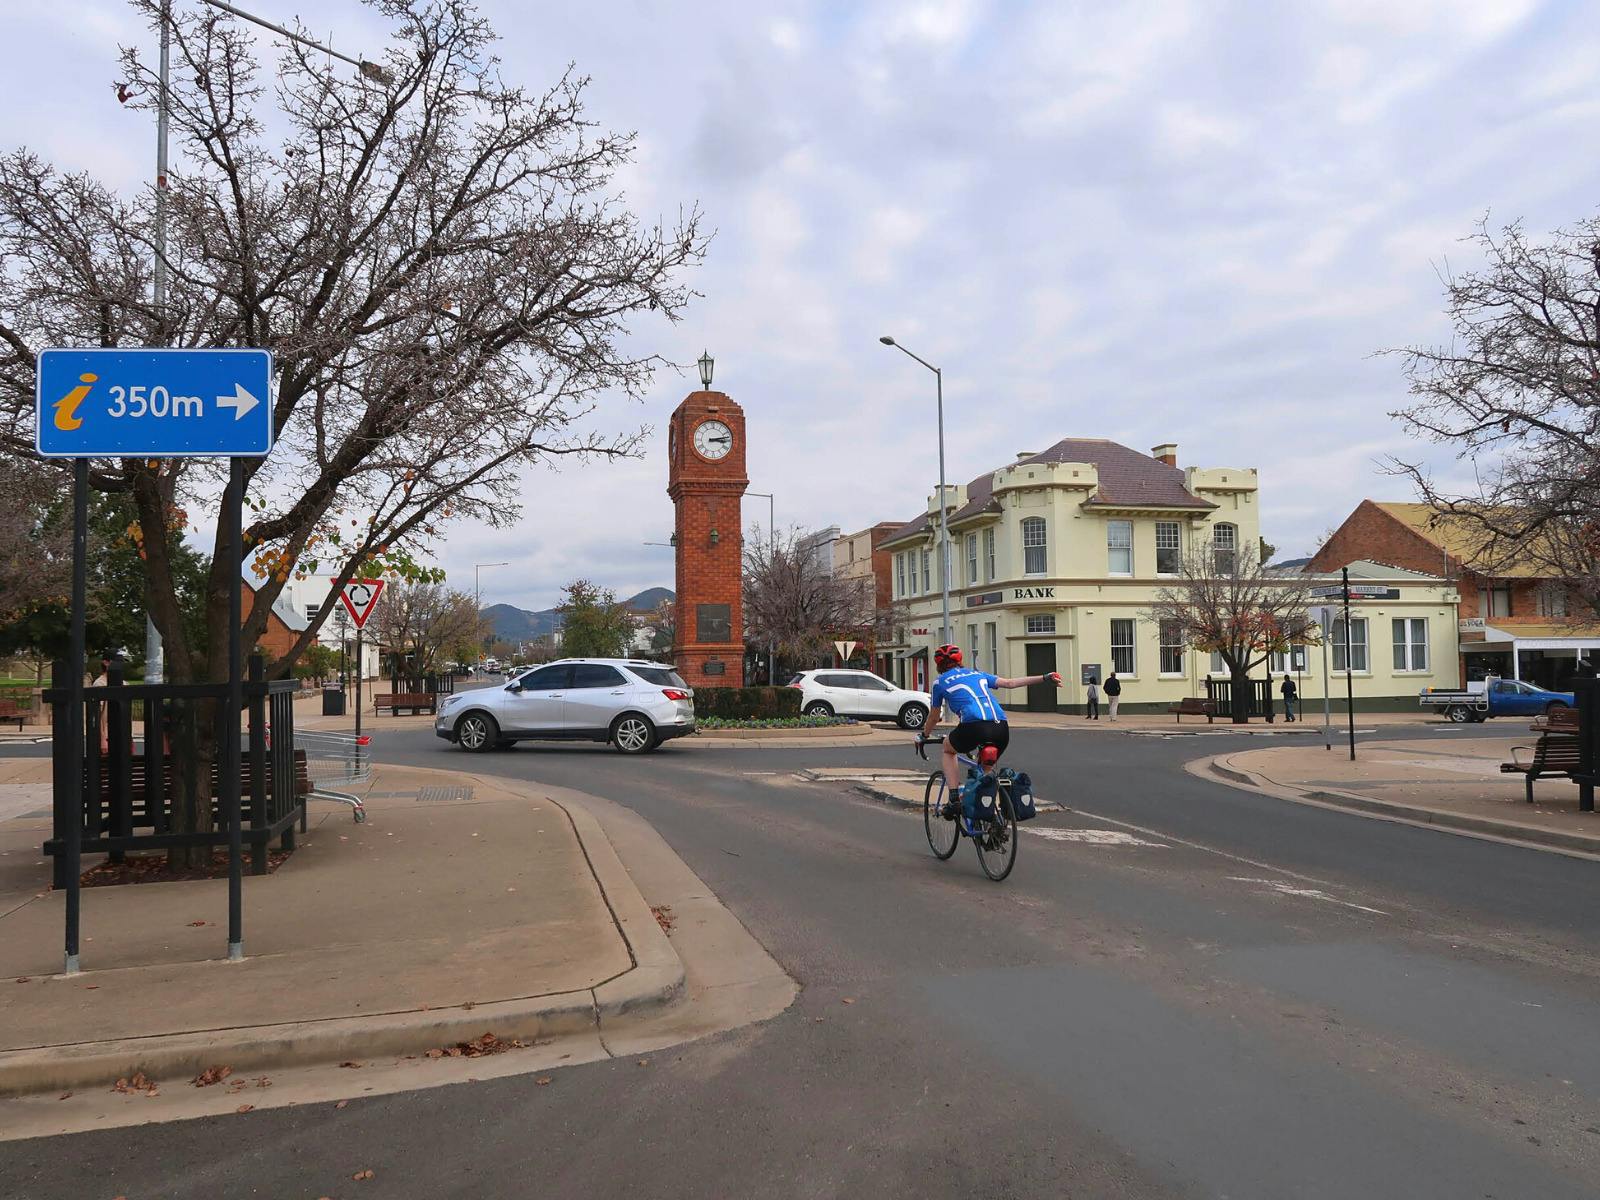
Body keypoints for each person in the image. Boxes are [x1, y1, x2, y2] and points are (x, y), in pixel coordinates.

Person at [920, 645, 1060, 816]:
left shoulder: (939, 683)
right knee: (985, 776)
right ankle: (991, 823)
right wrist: (1045, 677)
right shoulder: (978, 674)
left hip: (973, 727)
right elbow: (1010, 683)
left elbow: (934, 717)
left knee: (949, 750)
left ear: (938, 665)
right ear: (960, 660)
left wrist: (924, 735)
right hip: (1001, 727)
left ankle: (954, 799)